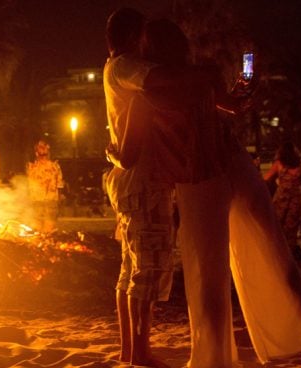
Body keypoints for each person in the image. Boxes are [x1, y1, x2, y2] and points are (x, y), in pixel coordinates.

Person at [109, 17, 301, 368]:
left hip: (200, 179)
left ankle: (215, 359)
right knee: (270, 249)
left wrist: (244, 83)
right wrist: (242, 72)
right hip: (227, 166)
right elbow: (235, 104)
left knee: (208, 276)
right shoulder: (190, 78)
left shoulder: (157, 90)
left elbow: (131, 150)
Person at [102, 7, 191, 367]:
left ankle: (131, 350)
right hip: (143, 180)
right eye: (144, 36)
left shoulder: (116, 71)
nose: (147, 45)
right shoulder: (127, 69)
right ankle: (141, 352)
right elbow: (158, 79)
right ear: (130, 37)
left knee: (131, 270)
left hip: (129, 180)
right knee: (147, 272)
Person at [263, 141, 301, 260]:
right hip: (296, 196)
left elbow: (266, 177)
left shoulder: (279, 164)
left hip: (282, 196)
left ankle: (275, 252)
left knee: (276, 223)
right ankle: (289, 253)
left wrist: (278, 181)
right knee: (292, 226)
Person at [26, 140, 64, 233]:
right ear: (48, 153)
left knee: (37, 228)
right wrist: (59, 199)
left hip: (36, 200)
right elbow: (59, 185)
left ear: (36, 153)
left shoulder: (32, 168)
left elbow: (29, 186)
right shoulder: (55, 167)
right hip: (51, 200)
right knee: (49, 229)